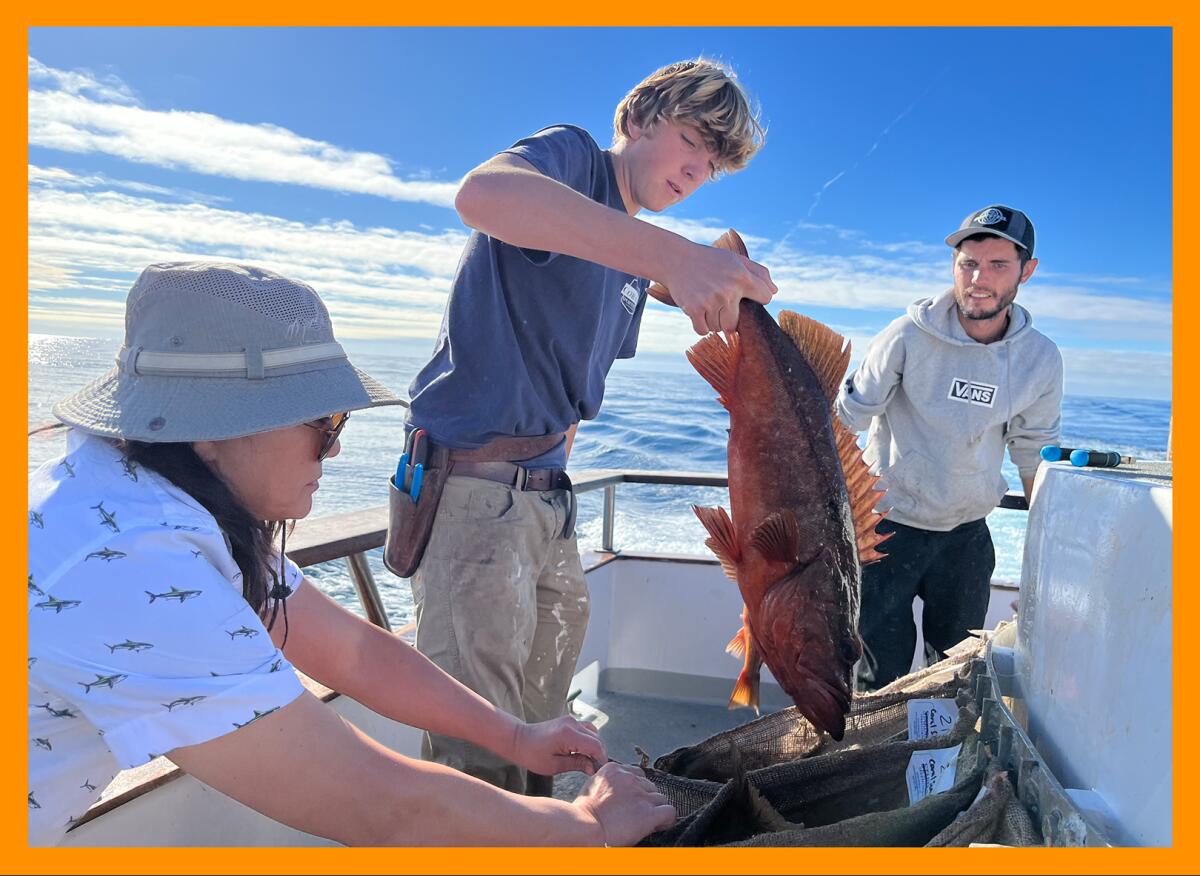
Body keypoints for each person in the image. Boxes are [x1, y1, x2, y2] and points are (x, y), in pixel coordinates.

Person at [27, 262, 675, 847]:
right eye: (324, 421)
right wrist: (587, 827)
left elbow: (352, 651)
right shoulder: (131, 557)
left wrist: (514, 737)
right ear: (212, 429)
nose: (336, 449)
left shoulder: (146, 496)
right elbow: (382, 808)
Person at [401, 58, 775, 793]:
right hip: (475, 488)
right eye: (692, 140)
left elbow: (575, 392)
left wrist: (683, 275)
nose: (699, 169)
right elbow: (483, 194)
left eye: (715, 164)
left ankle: (529, 839)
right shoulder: (574, 161)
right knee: (479, 737)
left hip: (548, 499)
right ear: (637, 118)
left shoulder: (629, 256)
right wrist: (676, 256)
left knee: (547, 725)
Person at [834, 205, 1064, 690]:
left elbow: (1034, 452)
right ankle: (876, 766)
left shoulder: (1040, 359)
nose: (979, 279)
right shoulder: (904, 336)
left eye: (998, 265)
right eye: (968, 263)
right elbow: (844, 420)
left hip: (966, 538)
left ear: (1028, 270)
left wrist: (1046, 567)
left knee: (956, 677)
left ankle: (937, 763)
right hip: (885, 533)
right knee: (880, 680)